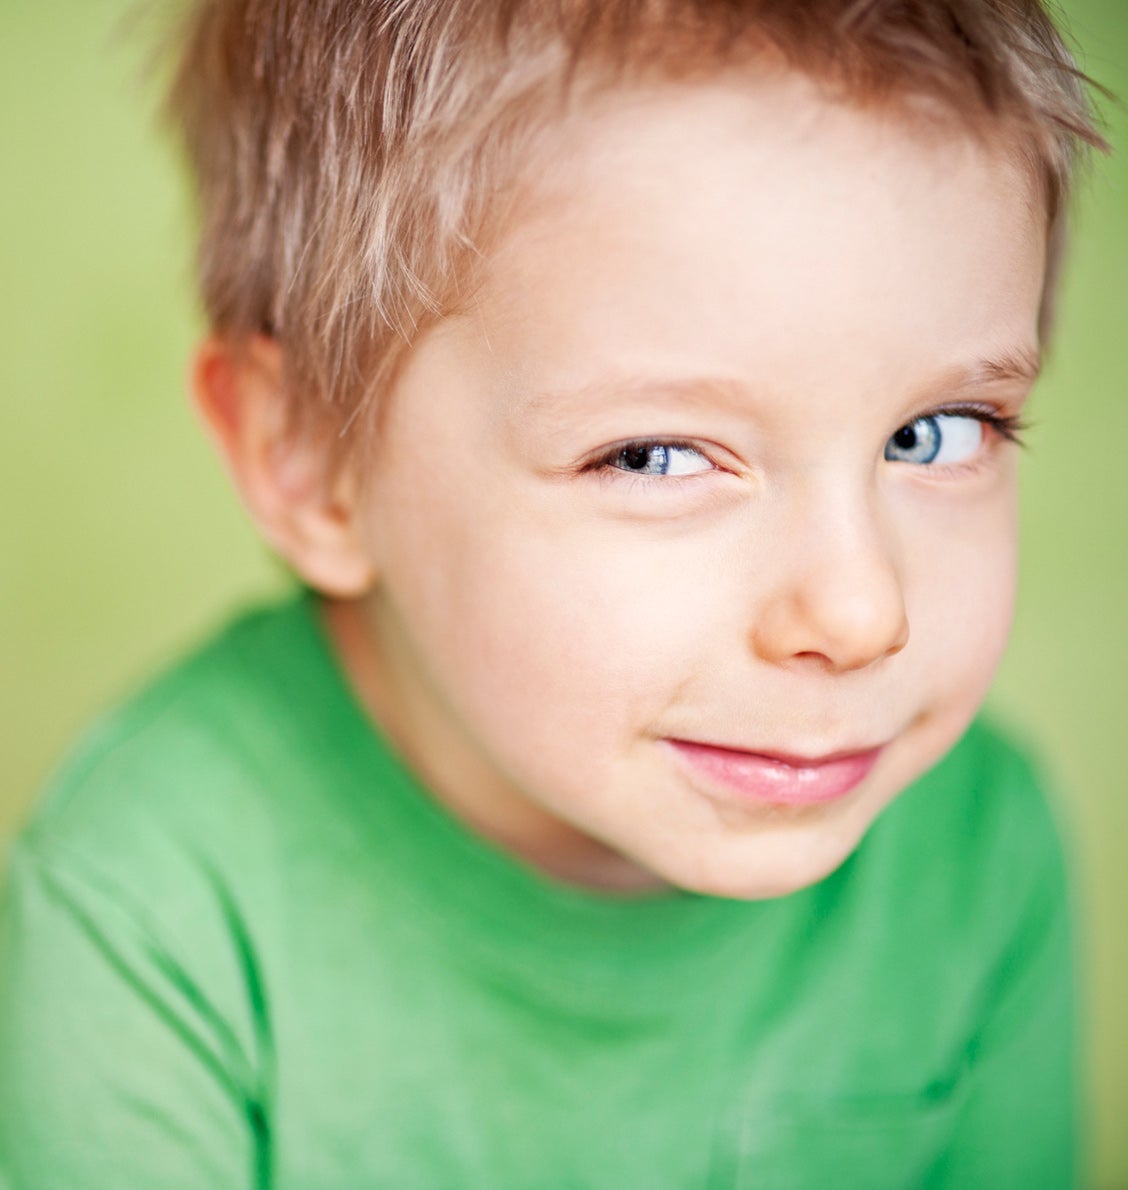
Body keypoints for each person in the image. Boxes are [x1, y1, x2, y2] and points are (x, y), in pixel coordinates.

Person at [0, 1, 1106, 1186]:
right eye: (656, 456)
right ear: (310, 458)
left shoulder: (978, 848)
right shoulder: (154, 910)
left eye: (939, 432)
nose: (860, 612)